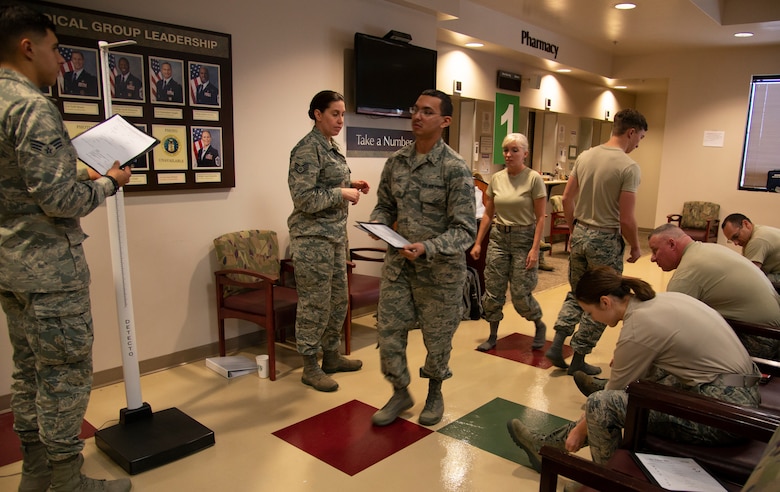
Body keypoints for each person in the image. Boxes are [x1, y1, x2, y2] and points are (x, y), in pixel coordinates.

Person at [0, 5, 133, 491]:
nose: (61, 60)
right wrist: (110, 183)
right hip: (49, 273)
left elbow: (19, 186)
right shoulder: (31, 106)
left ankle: (35, 474)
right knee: (64, 376)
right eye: (56, 49)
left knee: (29, 370)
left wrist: (78, 173)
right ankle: (67, 481)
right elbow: (59, 200)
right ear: (27, 47)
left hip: (10, 268)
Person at [509, 266, 761, 472]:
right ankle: (548, 447)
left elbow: (612, 395)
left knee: (600, 405)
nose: (591, 319)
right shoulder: (659, 300)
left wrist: (578, 430)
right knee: (650, 377)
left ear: (605, 302)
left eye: (589, 312)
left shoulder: (638, 328)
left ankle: (606, 480)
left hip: (723, 416)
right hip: (741, 393)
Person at [370, 89, 476, 427]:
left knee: (437, 338)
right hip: (399, 266)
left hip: (440, 272)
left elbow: (464, 231)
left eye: (427, 111)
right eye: (415, 109)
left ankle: (434, 390)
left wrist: (427, 247)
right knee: (388, 331)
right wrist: (377, 223)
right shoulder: (396, 163)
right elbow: (384, 205)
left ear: (444, 121)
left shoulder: (455, 169)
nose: (417, 116)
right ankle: (400, 390)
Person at [544, 108, 647, 376]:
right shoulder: (628, 166)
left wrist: (575, 226)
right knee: (606, 298)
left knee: (578, 291)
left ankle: (557, 343)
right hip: (605, 238)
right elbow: (626, 218)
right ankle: (578, 358)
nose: (638, 144)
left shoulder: (586, 156)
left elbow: (567, 199)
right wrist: (636, 246)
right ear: (631, 132)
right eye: (640, 138)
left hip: (580, 234)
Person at [287, 90, 369, 392]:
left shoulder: (330, 147)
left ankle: (331, 356)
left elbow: (327, 183)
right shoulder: (306, 150)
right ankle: (310, 366)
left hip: (334, 237)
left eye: (343, 114)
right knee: (315, 304)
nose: (340, 120)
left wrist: (351, 184)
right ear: (317, 114)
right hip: (312, 239)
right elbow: (304, 197)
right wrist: (341, 193)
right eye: (335, 113)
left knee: (337, 301)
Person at [648, 223, 780, 359]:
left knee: (665, 356)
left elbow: (670, 325)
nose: (652, 258)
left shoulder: (688, 273)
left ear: (671, 244)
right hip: (772, 330)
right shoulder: (709, 249)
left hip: (762, 338)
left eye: (655, 250)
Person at [469, 133, 547, 352]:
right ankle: (493, 335)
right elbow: (487, 214)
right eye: (505, 150)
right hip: (499, 238)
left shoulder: (533, 179)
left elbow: (541, 217)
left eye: (514, 150)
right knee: (493, 290)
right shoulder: (496, 179)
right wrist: (478, 243)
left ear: (525, 153)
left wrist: (534, 249)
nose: (509, 154)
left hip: (524, 238)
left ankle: (538, 324)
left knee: (521, 293)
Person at [722, 213, 780, 284]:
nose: (735, 243)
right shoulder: (758, 231)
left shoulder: (757, 240)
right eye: (731, 240)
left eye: (736, 236)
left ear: (746, 224)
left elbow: (750, 276)